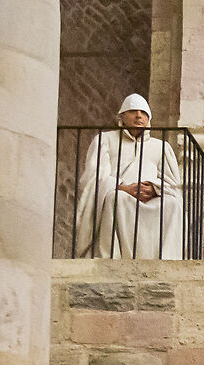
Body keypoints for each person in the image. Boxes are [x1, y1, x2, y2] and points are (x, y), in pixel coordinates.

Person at [69, 94, 185, 259]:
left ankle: (166, 258)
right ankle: (112, 256)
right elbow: (96, 174)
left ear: (148, 119)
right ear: (122, 116)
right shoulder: (106, 139)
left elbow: (172, 183)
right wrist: (123, 187)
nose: (139, 115)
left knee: (172, 204)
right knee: (115, 199)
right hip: (120, 192)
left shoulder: (161, 147)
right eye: (133, 111)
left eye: (143, 113)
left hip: (152, 196)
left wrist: (154, 188)